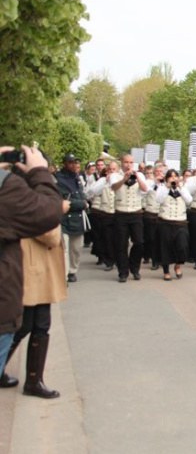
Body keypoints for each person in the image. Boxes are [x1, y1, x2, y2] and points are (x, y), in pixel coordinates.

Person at [0, 145, 64, 384]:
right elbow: (49, 228)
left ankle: (33, 379)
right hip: (31, 269)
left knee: (33, 324)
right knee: (27, 325)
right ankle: (32, 381)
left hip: (31, 269)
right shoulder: (19, 191)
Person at [0, 224, 66, 398]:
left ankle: (33, 380)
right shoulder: (33, 198)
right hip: (34, 267)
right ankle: (33, 382)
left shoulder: (24, 197)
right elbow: (49, 234)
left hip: (32, 265)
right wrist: (56, 212)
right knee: (31, 325)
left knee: (29, 324)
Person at [109, 154, 149, 282]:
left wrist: (137, 177)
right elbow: (113, 187)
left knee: (139, 242)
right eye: (126, 162)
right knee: (121, 244)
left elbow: (145, 189)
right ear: (122, 163)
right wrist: (123, 179)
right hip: (121, 213)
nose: (129, 164)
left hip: (136, 213)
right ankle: (123, 271)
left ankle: (135, 267)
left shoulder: (139, 175)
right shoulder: (115, 175)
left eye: (131, 162)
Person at [54, 154, 87, 283]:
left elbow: (81, 194)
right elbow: (62, 199)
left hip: (77, 217)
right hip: (64, 217)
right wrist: (80, 203)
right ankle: (65, 274)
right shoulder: (57, 179)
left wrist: (83, 201)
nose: (74, 165)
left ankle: (73, 270)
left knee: (76, 248)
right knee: (64, 248)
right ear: (64, 164)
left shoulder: (77, 178)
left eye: (75, 162)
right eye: (70, 162)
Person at [155, 169, 192, 280]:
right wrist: (167, 186)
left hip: (180, 222)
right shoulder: (162, 188)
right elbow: (159, 200)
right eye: (171, 176)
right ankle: (166, 271)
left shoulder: (183, 188)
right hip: (165, 222)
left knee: (182, 246)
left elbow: (189, 200)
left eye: (175, 176)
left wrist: (181, 188)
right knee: (165, 247)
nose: (174, 178)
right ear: (167, 179)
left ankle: (178, 265)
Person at [86, 160, 118, 271]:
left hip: (118, 212)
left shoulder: (121, 179)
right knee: (107, 238)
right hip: (105, 212)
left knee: (118, 239)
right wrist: (105, 182)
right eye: (110, 170)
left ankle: (118, 259)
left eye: (114, 170)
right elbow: (92, 191)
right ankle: (108, 260)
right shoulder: (103, 180)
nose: (112, 172)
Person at [142, 165, 166, 270]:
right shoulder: (149, 183)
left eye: (161, 172)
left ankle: (161, 259)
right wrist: (154, 183)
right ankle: (154, 260)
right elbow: (144, 191)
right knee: (151, 238)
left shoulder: (167, 184)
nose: (158, 173)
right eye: (156, 171)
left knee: (162, 239)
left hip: (163, 214)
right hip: (150, 213)